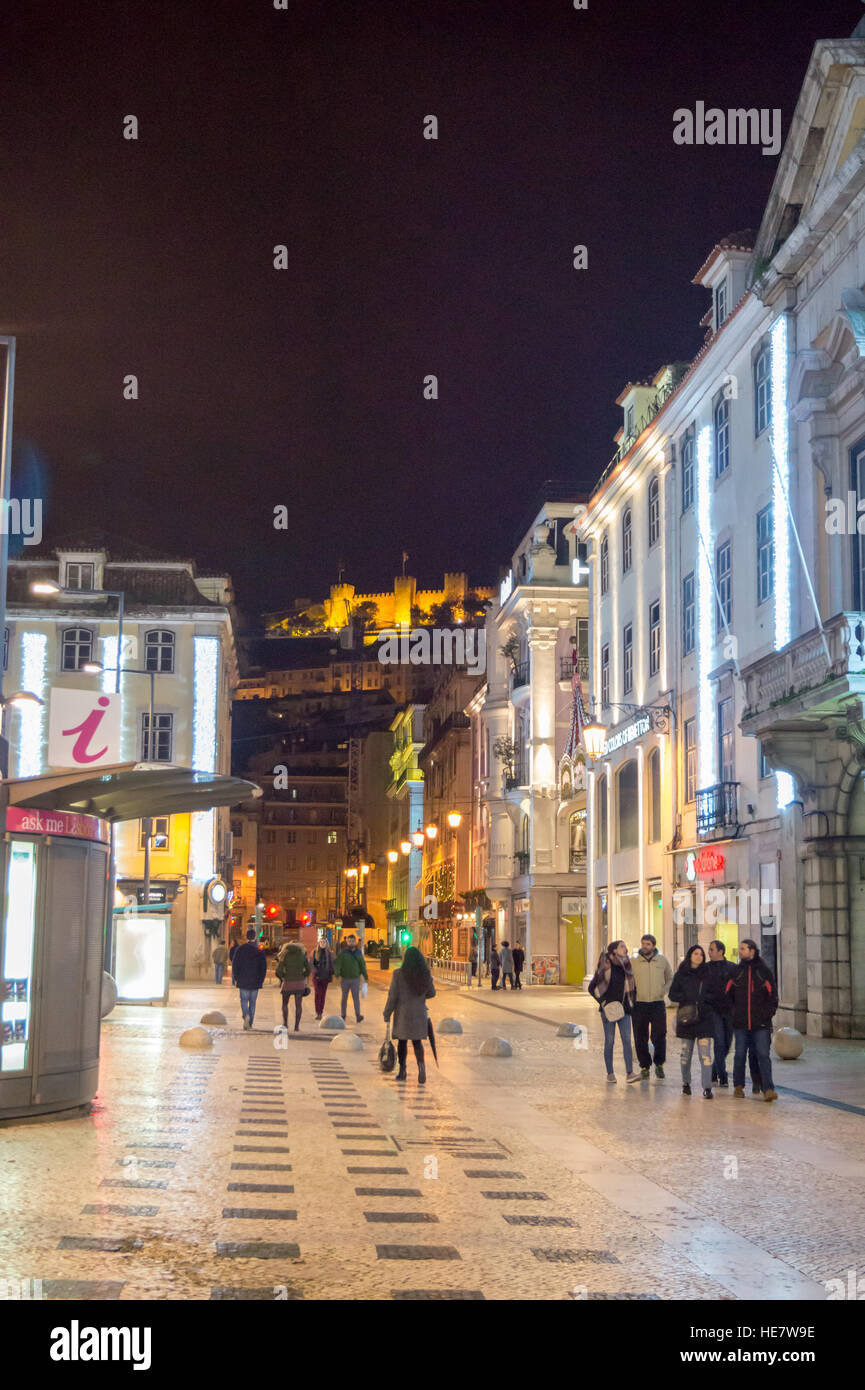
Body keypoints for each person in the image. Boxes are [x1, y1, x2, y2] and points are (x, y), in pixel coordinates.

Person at [725, 939, 778, 1102]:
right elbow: (727, 995)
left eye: (743, 949)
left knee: (763, 1055)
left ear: (752, 951)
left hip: (760, 1024)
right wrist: (733, 1013)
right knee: (740, 1055)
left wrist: (767, 1015)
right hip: (740, 1023)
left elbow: (773, 996)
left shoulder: (763, 971)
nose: (740, 951)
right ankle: (738, 1086)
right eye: (739, 948)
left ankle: (768, 1088)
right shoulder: (736, 972)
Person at [382, 945, 436, 1083]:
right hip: (419, 1013)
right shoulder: (425, 975)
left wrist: (387, 1012)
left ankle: (402, 1071)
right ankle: (421, 1066)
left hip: (403, 1014)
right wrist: (421, 996)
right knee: (417, 1042)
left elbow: (392, 996)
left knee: (402, 1042)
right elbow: (432, 993)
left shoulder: (399, 974)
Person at [588, 941, 639, 1083]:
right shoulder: (605, 964)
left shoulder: (627, 965)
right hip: (608, 1011)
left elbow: (633, 987)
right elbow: (592, 987)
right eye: (622, 946)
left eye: (625, 946)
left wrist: (632, 1003)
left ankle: (630, 1073)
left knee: (627, 1040)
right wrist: (603, 1003)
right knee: (609, 1041)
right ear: (614, 950)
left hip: (624, 1009)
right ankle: (610, 1073)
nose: (625, 948)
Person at [669, 945, 716, 1097]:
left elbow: (715, 994)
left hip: (704, 1020)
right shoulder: (681, 975)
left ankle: (707, 1088)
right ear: (690, 956)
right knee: (685, 1054)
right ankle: (686, 1083)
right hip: (686, 1019)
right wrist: (687, 998)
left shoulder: (708, 973)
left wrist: (704, 1000)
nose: (699, 957)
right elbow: (672, 995)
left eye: (701, 955)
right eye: (696, 954)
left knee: (705, 1056)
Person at [631, 933, 672, 1080]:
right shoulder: (634, 962)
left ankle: (659, 1064)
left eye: (648, 944)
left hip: (657, 1003)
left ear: (653, 946)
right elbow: (628, 980)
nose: (645, 946)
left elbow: (670, 978)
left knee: (660, 1035)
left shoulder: (662, 960)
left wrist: (663, 991)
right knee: (640, 1036)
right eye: (643, 944)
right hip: (639, 1004)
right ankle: (644, 1066)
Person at [705, 939, 737, 1087]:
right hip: (713, 1011)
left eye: (712, 949)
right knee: (719, 1042)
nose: (709, 952)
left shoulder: (732, 968)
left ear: (720, 951)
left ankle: (713, 1071)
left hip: (730, 1011)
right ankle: (722, 1076)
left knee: (727, 1044)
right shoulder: (705, 969)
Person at [231, 928, 268, 1030]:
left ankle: (245, 1015)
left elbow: (235, 964)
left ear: (246, 937)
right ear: (255, 937)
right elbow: (263, 967)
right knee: (252, 1002)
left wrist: (236, 977)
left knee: (243, 1000)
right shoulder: (259, 950)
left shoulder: (240, 949)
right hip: (255, 981)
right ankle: (250, 1023)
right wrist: (261, 979)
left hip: (243, 980)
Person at [275, 937, 310, 1031]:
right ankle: (296, 1026)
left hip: (288, 982)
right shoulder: (302, 955)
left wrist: (283, 977)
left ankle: (285, 1023)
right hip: (299, 983)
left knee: (285, 1003)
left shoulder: (284, 955)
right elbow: (308, 969)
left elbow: (278, 971)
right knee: (298, 1005)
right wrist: (303, 976)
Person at [334, 933, 368, 1023]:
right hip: (345, 978)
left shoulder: (358, 953)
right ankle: (343, 1015)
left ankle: (358, 1015)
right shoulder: (343, 953)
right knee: (344, 997)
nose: (351, 943)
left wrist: (365, 976)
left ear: (355, 942)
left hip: (355, 979)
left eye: (352, 941)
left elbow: (362, 965)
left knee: (356, 997)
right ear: (347, 942)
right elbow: (338, 964)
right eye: (349, 941)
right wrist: (337, 974)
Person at [310, 937, 335, 1020]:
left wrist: (331, 973)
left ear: (326, 943)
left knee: (323, 994)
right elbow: (311, 964)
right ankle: (317, 1012)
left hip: (325, 977)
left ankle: (321, 1011)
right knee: (317, 994)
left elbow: (332, 965)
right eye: (321, 942)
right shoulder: (314, 952)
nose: (322, 943)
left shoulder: (329, 954)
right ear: (319, 943)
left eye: (324, 942)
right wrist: (315, 972)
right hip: (316, 977)